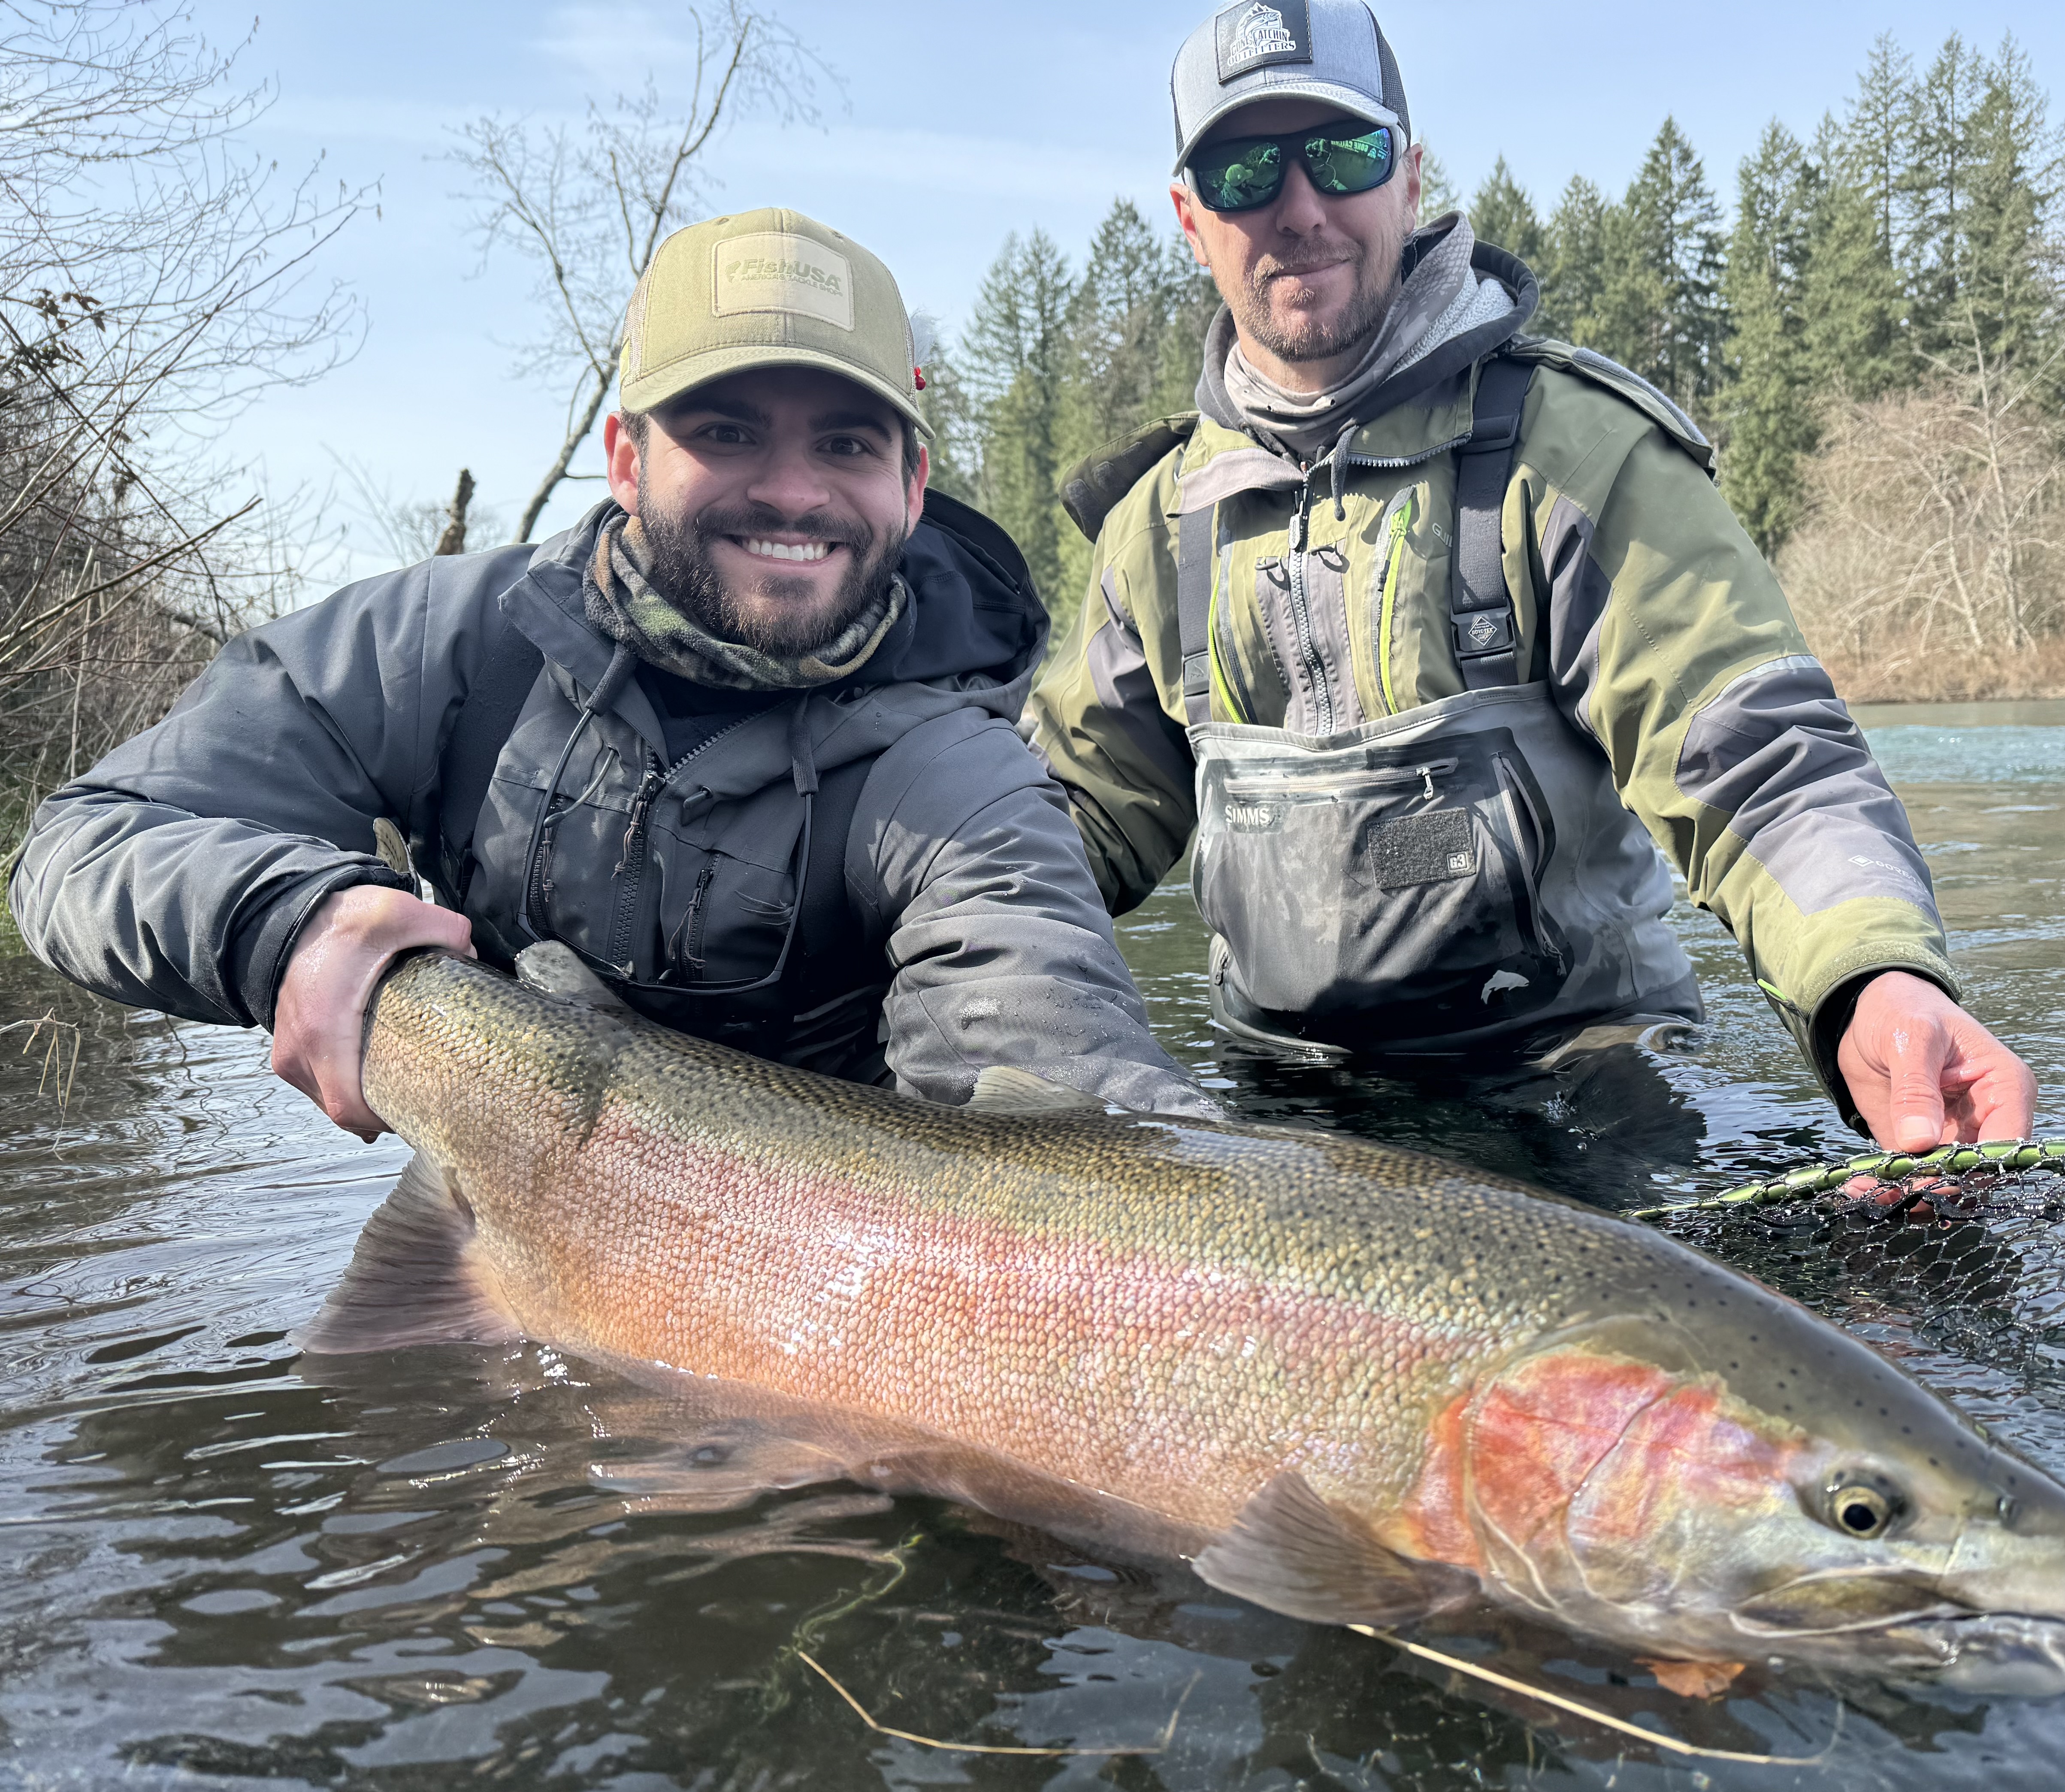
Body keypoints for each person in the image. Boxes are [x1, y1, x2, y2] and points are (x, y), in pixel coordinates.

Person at [1025, 0, 2037, 1151]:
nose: (1299, 208)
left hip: (1576, 1098)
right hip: (1281, 1116)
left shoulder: (1574, 451)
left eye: (1342, 155)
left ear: (1408, 179)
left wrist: (1874, 979)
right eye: (1246, 170)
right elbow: (1059, 831)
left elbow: (1755, 759)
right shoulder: (1158, 526)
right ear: (1189, 215)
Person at [9, 208, 1212, 1133]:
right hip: (500, 1218)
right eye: (727, 431)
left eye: (844, 443)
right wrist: (289, 922)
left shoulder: (961, 777)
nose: (792, 490)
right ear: (626, 457)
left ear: (911, 482)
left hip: (819, 1295)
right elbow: (85, 841)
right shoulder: (454, 646)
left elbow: (1073, 1109)